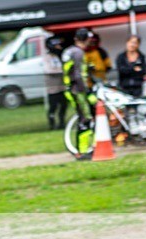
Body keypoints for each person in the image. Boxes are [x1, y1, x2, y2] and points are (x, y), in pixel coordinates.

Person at [62, 28, 96, 160]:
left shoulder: (69, 51)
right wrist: (87, 92)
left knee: (83, 117)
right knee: (85, 118)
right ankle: (82, 151)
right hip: (78, 91)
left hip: (70, 89)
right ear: (86, 39)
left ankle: (82, 150)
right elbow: (78, 75)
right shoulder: (79, 53)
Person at [43, 36, 67, 130]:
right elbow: (48, 70)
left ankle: (62, 122)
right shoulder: (47, 57)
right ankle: (52, 124)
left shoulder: (58, 56)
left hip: (61, 87)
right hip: (52, 88)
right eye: (56, 45)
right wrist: (61, 71)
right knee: (53, 107)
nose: (58, 46)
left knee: (63, 105)